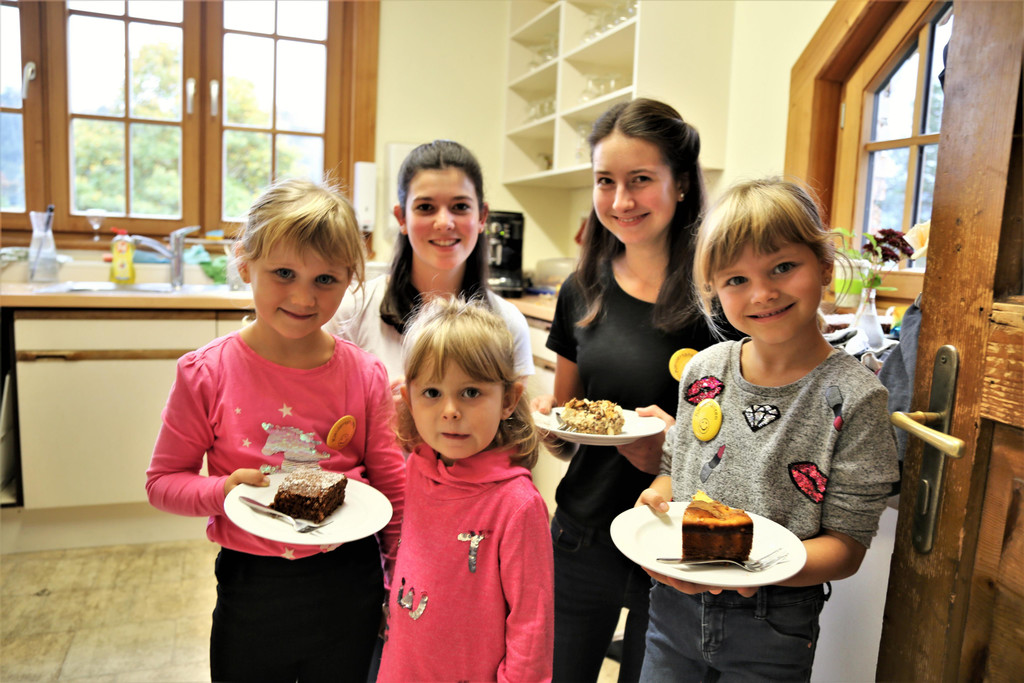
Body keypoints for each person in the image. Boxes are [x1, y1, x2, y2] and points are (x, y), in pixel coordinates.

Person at [636, 177, 900, 681]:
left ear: (824, 266)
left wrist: (749, 563)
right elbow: (675, 468)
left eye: (783, 267)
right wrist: (656, 500)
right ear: (714, 290)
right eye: (736, 279)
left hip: (774, 621)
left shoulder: (857, 397)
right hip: (673, 607)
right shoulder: (704, 371)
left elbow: (846, 547)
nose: (762, 293)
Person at [145, 177, 406, 683]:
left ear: (350, 279)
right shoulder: (205, 374)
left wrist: (398, 576)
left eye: (325, 279)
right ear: (245, 262)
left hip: (349, 578)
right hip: (253, 583)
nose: (303, 297)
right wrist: (223, 489)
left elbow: (393, 487)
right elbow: (162, 484)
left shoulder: (365, 374)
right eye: (284, 273)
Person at [531, 98, 723, 682]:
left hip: (675, 538)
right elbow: (568, 428)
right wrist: (549, 424)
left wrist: (671, 452)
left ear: (681, 183)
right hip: (581, 532)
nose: (620, 201)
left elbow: (740, 443)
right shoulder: (581, 289)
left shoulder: (720, 299)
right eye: (605, 181)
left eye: (640, 179)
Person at [377, 296, 553, 682]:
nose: (450, 410)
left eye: (471, 392)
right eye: (432, 393)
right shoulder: (418, 468)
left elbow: (532, 627)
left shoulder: (518, 506)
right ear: (409, 399)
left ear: (508, 400)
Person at [328, 139, 533, 387]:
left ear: (482, 217)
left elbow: (514, 410)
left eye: (460, 206)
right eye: (426, 207)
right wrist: (378, 405)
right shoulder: (350, 312)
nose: (444, 222)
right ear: (401, 218)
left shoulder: (509, 323)